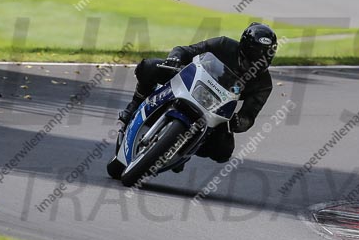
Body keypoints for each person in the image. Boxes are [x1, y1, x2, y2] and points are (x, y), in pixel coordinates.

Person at [118, 22, 277, 166]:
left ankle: (187, 149)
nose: (260, 57)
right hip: (192, 81)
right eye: (257, 52)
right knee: (149, 66)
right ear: (245, 47)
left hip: (217, 106)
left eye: (266, 53)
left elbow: (249, 116)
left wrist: (238, 122)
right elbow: (186, 50)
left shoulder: (264, 84)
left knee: (223, 151)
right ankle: (134, 104)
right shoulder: (223, 44)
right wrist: (175, 58)